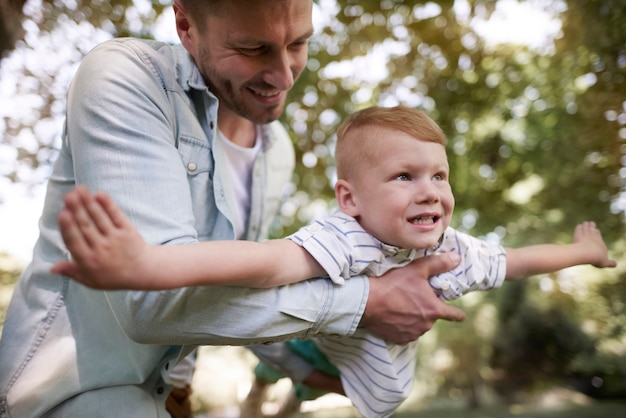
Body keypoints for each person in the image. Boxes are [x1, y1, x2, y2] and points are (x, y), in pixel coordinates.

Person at [0, 1, 465, 417]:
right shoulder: (126, 78)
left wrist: (315, 374)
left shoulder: (274, 149)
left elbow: (242, 297)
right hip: (73, 394)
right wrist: (367, 303)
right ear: (185, 24)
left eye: (299, 43)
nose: (284, 76)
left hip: (171, 394)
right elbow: (151, 307)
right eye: (252, 48)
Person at [50, 106, 617, 417]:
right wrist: (148, 265)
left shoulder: (453, 252)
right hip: (317, 331)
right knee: (257, 319)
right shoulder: (344, 238)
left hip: (374, 363)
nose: (430, 192)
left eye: (439, 176)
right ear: (351, 200)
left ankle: (315, 379)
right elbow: (264, 262)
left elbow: (516, 260)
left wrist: (583, 252)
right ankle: (295, 366)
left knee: (387, 397)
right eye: (404, 177)